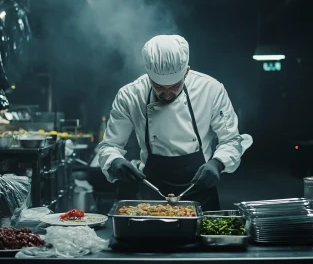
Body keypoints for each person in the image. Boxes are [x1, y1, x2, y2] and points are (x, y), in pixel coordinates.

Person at [98, 35, 252, 211]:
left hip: (201, 190)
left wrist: (217, 163)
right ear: (148, 74)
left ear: (186, 72)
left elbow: (232, 140)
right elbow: (109, 145)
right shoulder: (130, 95)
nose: (167, 94)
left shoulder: (211, 90)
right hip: (151, 192)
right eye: (159, 86)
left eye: (174, 86)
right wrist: (115, 161)